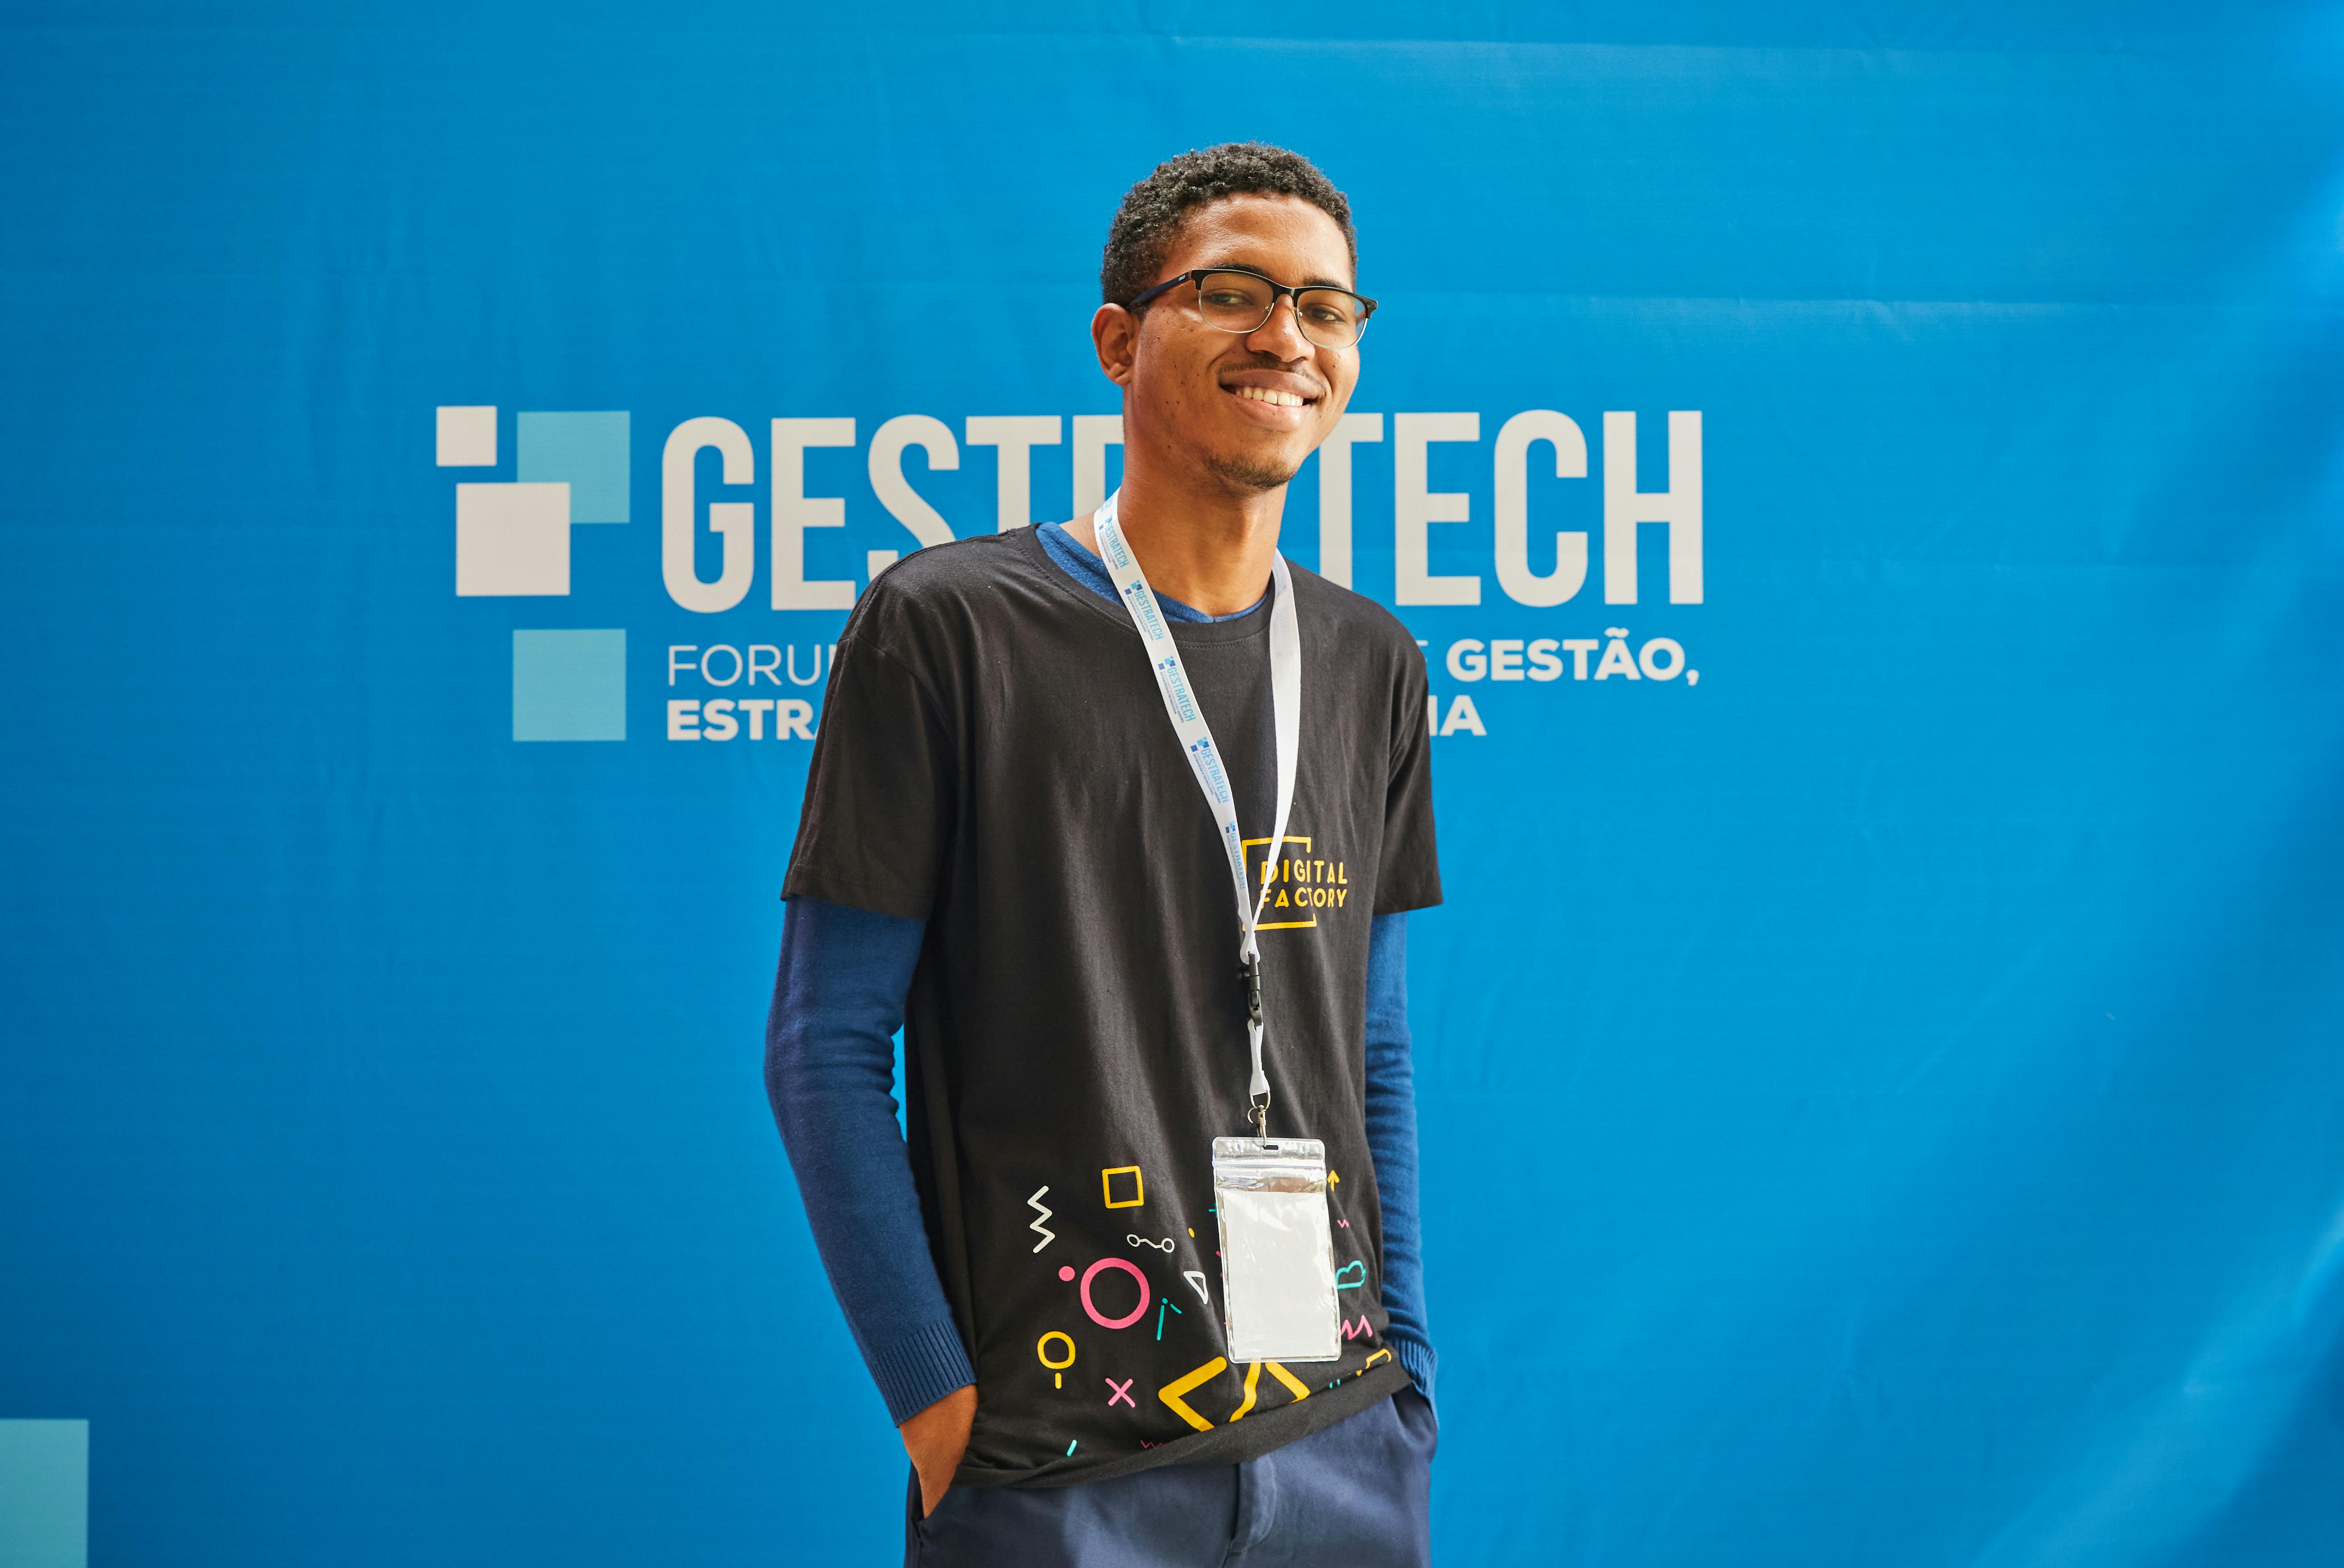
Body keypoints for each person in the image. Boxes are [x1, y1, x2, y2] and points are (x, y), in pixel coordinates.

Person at [766, 142, 1442, 1567]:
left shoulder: (1371, 661)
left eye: (1326, 308)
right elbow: (824, 1044)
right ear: (1120, 340)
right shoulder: (948, 625)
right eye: (1234, 292)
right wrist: (944, 1412)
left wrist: (1403, 1380)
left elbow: (1367, 1051)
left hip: (1339, 1446)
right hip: (1057, 1466)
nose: (1286, 337)